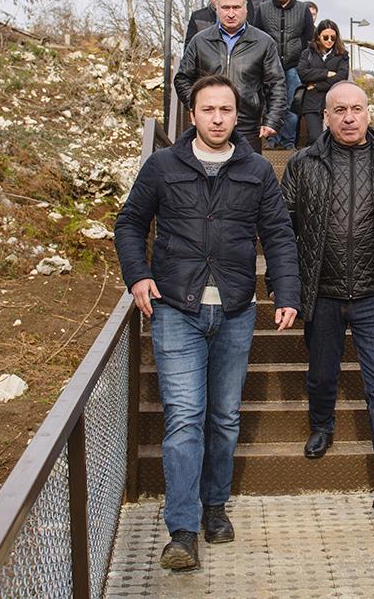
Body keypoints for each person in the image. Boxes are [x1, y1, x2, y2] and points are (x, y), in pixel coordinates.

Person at [114, 73, 300, 572]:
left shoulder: (257, 170)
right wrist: (137, 275)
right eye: (208, 110)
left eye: (226, 110)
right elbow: (130, 222)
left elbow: (278, 234)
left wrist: (286, 291)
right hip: (176, 308)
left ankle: (215, 505)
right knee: (183, 418)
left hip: (236, 309)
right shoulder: (163, 165)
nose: (217, 119)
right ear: (192, 115)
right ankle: (182, 530)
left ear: (237, 116)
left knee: (224, 416)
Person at [280, 81, 374, 533]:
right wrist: (288, 287)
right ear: (325, 116)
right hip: (322, 293)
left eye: (357, 109)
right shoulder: (302, 163)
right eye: (339, 110)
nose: (349, 117)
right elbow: (282, 230)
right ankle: (322, 424)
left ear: (368, 113)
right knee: (322, 375)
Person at [174, 0, 286, 153]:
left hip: (247, 126)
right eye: (226, 8)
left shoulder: (264, 42)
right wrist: (200, 105)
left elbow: (276, 83)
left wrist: (273, 120)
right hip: (208, 125)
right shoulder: (200, 41)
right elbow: (182, 78)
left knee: (248, 170)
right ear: (217, 8)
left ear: (246, 8)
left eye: (236, 7)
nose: (231, 13)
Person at [256, 0, 314, 150]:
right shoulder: (263, 9)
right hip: (269, 65)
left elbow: (308, 37)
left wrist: (301, 58)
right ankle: (272, 139)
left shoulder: (302, 9)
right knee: (270, 103)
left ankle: (288, 141)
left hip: (293, 65)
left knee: (291, 105)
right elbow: (257, 35)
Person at [295, 19, 349, 148]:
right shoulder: (307, 53)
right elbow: (303, 73)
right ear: (318, 36)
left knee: (334, 137)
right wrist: (326, 73)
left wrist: (316, 85)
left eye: (333, 37)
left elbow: (341, 78)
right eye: (326, 37)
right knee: (315, 137)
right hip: (312, 102)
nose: (330, 40)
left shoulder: (342, 55)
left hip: (333, 102)